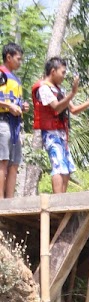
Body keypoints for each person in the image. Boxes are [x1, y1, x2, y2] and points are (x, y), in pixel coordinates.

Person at [32, 57, 89, 194]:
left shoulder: (59, 90)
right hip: (50, 133)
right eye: (63, 72)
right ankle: (57, 201)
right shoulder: (44, 88)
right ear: (53, 71)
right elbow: (56, 108)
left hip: (62, 133)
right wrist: (73, 93)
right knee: (58, 165)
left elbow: (73, 110)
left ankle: (63, 200)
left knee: (66, 168)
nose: (64, 76)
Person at [0, 43, 29, 199]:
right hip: (3, 122)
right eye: (18, 59)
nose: (20, 62)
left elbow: (14, 99)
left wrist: (21, 106)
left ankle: (10, 201)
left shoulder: (16, 79)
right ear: (8, 57)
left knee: (14, 163)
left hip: (15, 126)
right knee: (2, 161)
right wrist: (8, 105)